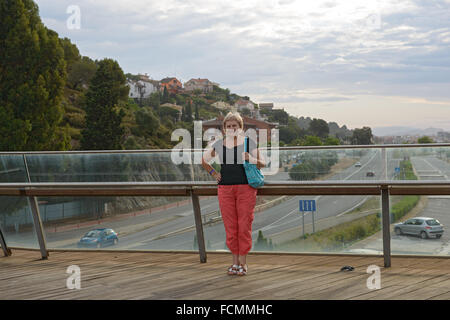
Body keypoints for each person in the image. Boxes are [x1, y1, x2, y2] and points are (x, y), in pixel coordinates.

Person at [201, 112, 266, 276]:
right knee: (231, 227)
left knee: (244, 226)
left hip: (246, 188)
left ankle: (243, 264)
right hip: (225, 189)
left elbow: (263, 163)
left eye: (234, 126)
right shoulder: (218, 144)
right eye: (228, 126)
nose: (231, 129)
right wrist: (214, 174)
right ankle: (234, 263)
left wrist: (250, 159)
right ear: (224, 129)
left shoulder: (248, 143)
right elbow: (203, 161)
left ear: (240, 128)